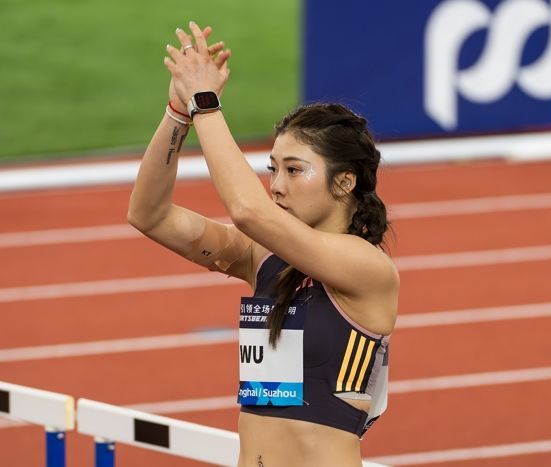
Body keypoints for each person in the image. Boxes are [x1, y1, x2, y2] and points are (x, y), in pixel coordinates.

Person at [128, 21, 399, 467]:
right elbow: (150, 215)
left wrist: (206, 105)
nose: (275, 186)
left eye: (294, 170)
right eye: (272, 169)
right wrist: (178, 111)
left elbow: (248, 211)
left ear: (344, 182)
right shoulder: (266, 260)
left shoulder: (366, 268)